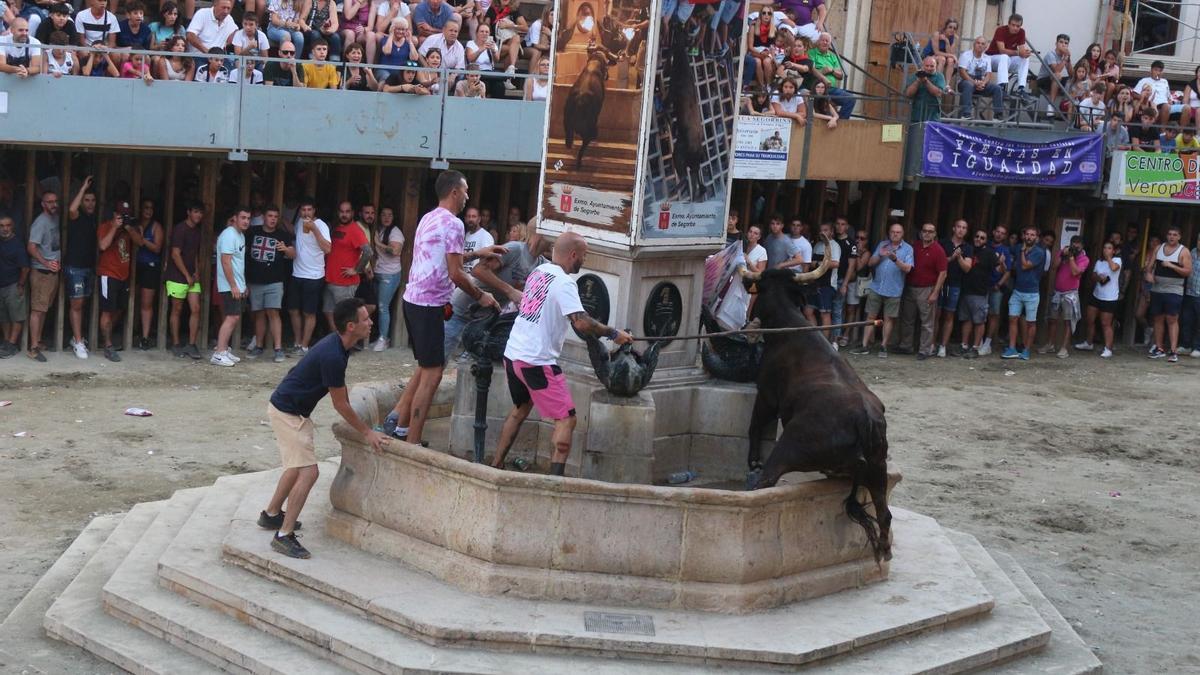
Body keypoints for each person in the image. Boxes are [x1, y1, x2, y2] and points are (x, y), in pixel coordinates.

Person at [491, 232, 633, 475]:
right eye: (584, 256)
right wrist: (613, 334)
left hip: (513, 354)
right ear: (574, 255)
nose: (584, 261)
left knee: (521, 408)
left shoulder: (539, 272)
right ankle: (554, 484)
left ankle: (495, 466)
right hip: (536, 361)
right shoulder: (565, 282)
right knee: (567, 419)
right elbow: (580, 322)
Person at [261, 297, 388, 559]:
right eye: (365, 319)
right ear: (351, 326)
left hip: (287, 409)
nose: (370, 322)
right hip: (289, 414)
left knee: (296, 467)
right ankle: (283, 535)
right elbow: (340, 404)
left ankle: (271, 514)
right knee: (309, 473)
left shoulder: (337, 346)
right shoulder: (334, 355)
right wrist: (368, 432)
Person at [382, 171, 503, 446]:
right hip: (428, 305)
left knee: (427, 368)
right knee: (434, 373)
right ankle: (412, 441)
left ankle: (401, 428)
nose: (468, 197)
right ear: (455, 193)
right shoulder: (455, 224)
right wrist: (481, 295)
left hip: (413, 299)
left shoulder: (429, 217)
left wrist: (477, 254)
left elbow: (445, 257)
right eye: (466, 191)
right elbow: (456, 273)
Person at [851, 222, 912, 357]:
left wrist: (896, 260)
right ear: (889, 233)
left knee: (888, 318)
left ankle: (883, 346)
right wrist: (879, 255)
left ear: (902, 234)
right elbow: (870, 263)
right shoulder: (882, 245)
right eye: (893, 232)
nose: (895, 234)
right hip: (877, 286)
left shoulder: (908, 249)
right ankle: (865, 345)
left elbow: (908, 269)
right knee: (870, 316)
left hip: (894, 289)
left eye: (898, 232)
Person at [246, 205, 295, 363]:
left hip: (275, 281)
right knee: (259, 314)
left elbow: (293, 254)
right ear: (264, 217)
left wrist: (286, 250)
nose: (273, 219)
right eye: (270, 215)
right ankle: (259, 346)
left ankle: (278, 348)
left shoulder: (283, 235)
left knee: (273, 312)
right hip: (255, 281)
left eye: (275, 216)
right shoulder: (252, 232)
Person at [898, 222, 947, 359]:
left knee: (927, 322)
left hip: (927, 289)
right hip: (911, 287)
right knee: (908, 319)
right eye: (925, 231)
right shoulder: (915, 246)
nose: (927, 233)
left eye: (930, 231)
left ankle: (924, 350)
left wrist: (935, 293)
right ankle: (906, 346)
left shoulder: (938, 250)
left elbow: (943, 273)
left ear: (935, 234)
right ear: (921, 232)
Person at [289, 197, 330, 353]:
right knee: (293, 310)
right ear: (300, 211)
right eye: (303, 210)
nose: (306, 213)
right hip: (297, 273)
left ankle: (305, 346)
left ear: (314, 211)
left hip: (314, 276)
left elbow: (328, 249)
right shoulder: (299, 222)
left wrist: (314, 229)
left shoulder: (321, 225)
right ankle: (297, 342)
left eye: (309, 210)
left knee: (309, 312)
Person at [1146, 226, 1193, 363]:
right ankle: (1159, 348)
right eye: (1169, 234)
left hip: (1174, 289)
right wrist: (1148, 274)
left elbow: (1188, 272)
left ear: (1179, 237)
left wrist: (1172, 266)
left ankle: (1173, 351)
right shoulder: (1159, 248)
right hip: (1157, 288)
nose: (1172, 237)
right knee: (1158, 318)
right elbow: (1149, 266)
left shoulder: (1183, 251)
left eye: (1175, 235)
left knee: (1172, 319)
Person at [210, 207, 250, 367]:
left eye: (248, 218)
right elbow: (225, 261)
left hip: (237, 284)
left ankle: (224, 349)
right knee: (231, 317)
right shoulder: (229, 235)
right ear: (235, 218)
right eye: (243, 218)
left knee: (235, 317)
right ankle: (219, 353)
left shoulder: (240, 236)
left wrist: (243, 284)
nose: (246, 221)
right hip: (229, 285)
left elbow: (238, 263)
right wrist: (233, 285)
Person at [93, 201, 132, 362]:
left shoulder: (128, 229)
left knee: (120, 309)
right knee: (107, 310)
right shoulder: (105, 226)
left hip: (124, 275)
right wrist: (115, 227)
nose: (122, 218)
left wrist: (129, 227)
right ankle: (108, 345)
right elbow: (102, 245)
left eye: (125, 215)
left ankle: (105, 336)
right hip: (108, 274)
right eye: (120, 214)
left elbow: (140, 242)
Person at [323, 200, 370, 333]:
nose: (344, 214)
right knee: (328, 311)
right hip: (331, 279)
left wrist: (356, 270)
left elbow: (368, 252)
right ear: (338, 213)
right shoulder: (337, 228)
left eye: (347, 212)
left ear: (353, 213)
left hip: (345, 283)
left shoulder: (355, 229)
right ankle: (338, 341)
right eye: (342, 211)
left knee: (346, 317)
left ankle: (347, 344)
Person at [165, 202, 204, 359]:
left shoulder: (197, 231)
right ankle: (175, 343)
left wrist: (196, 272)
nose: (198, 215)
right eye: (195, 211)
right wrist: (187, 275)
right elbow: (175, 254)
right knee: (177, 309)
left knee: (196, 308)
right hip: (177, 276)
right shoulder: (180, 229)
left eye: (200, 213)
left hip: (191, 277)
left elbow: (194, 254)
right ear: (189, 212)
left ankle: (191, 344)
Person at [1001, 226, 1046, 360]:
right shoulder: (1018, 246)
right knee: (1012, 318)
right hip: (1017, 290)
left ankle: (1026, 349)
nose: (1029, 237)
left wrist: (1021, 252)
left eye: (1032, 235)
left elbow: (1026, 265)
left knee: (1030, 322)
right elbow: (1007, 251)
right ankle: (1012, 348)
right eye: (1027, 234)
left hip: (1032, 293)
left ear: (1036, 238)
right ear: (1023, 235)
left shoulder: (1039, 252)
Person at [64, 178, 97, 359]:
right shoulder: (77, 216)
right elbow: (71, 209)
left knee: (82, 304)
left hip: (88, 268)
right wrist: (83, 187)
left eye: (92, 200)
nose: (90, 203)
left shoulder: (94, 219)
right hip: (75, 267)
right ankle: (78, 342)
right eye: (86, 200)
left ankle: (77, 338)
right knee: (76, 304)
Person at [25, 190, 60, 362]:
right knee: (37, 310)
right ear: (43, 204)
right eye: (50, 202)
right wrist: (46, 263)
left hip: (51, 272)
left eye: (55, 201)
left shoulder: (54, 218)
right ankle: (32, 348)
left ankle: (38, 341)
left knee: (43, 308)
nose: (54, 204)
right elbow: (31, 247)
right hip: (41, 272)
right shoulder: (40, 222)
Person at [1041, 235, 1089, 359]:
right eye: (1073, 244)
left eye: (1078, 245)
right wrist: (1062, 254)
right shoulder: (1064, 253)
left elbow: (1075, 272)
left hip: (1070, 294)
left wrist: (1071, 257)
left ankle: (1064, 348)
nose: (1075, 247)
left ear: (1082, 246)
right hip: (1058, 291)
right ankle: (1050, 344)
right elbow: (1054, 267)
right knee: (1052, 319)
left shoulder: (1084, 259)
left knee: (1069, 322)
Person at [1075, 241, 1122, 359]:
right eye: (1105, 248)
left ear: (1113, 251)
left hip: (1110, 297)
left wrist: (1109, 258)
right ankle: (1089, 343)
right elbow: (1093, 276)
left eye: (1109, 248)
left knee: (1106, 323)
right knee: (1090, 319)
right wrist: (1099, 277)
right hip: (1097, 294)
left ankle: (1108, 348)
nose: (1106, 250)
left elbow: (1114, 268)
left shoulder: (1117, 261)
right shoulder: (1099, 262)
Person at [956, 229, 995, 358]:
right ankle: (964, 345)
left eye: (982, 238)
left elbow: (999, 268)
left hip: (980, 292)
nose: (979, 239)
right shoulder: (968, 249)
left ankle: (975, 348)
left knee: (979, 321)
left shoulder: (989, 253)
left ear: (986, 240)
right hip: (966, 290)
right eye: (977, 236)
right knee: (966, 319)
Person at [936, 218, 972, 357]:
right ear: (954, 228)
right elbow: (938, 262)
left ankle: (943, 346)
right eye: (959, 227)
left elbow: (967, 268)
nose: (961, 230)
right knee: (936, 314)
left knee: (949, 315)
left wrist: (959, 258)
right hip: (940, 282)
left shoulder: (967, 247)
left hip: (955, 284)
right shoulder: (943, 243)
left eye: (964, 227)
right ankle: (932, 343)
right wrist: (951, 258)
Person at [371, 205, 403, 351]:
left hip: (390, 274)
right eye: (383, 214)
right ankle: (381, 336)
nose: (386, 217)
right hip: (378, 272)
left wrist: (377, 243)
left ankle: (383, 339)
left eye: (389, 215)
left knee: (383, 307)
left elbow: (395, 251)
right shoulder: (379, 229)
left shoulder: (395, 232)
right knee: (379, 306)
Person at [0, 215, 29, 359]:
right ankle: (6, 341)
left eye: (8, 225)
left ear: (13, 227)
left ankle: (12, 344)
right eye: (2, 226)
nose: (5, 228)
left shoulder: (17, 244)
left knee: (16, 316)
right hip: (1, 285)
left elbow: (25, 268)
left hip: (13, 285)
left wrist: (21, 284)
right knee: (3, 316)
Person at [807, 32, 853, 118]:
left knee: (850, 99)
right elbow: (810, 71)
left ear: (829, 44)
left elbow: (840, 76)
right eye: (823, 40)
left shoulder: (833, 56)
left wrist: (831, 70)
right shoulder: (811, 53)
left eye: (827, 41)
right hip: (816, 88)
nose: (825, 42)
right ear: (818, 42)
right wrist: (822, 71)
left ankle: (841, 123)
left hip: (831, 89)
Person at [984, 13, 1031, 96]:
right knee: (1004, 56)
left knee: (1025, 59)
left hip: (1007, 60)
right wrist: (1018, 53)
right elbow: (1002, 50)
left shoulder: (1021, 32)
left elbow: (1021, 50)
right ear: (1008, 24)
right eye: (1013, 25)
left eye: (1018, 26)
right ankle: (1001, 86)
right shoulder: (1001, 30)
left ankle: (1021, 88)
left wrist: (1025, 53)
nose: (1015, 28)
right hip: (991, 58)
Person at [957, 36, 1003, 119]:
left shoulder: (987, 58)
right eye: (978, 43)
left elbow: (988, 74)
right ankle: (966, 114)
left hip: (981, 83)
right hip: (966, 81)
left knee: (997, 88)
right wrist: (974, 82)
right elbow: (962, 72)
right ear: (974, 44)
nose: (980, 45)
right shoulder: (966, 55)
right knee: (968, 85)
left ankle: (998, 115)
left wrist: (983, 83)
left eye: (983, 44)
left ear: (986, 47)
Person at [809, 221, 841, 341]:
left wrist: (817, 264)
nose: (823, 233)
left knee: (825, 314)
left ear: (832, 232)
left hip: (827, 285)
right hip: (814, 282)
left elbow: (836, 263)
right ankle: (816, 339)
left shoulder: (834, 246)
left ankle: (825, 342)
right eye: (821, 230)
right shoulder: (817, 245)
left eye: (826, 230)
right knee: (808, 311)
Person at [905, 55, 948, 122]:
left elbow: (938, 93)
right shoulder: (915, 75)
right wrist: (918, 81)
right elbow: (908, 94)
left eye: (932, 66)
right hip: (917, 115)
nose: (929, 68)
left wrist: (925, 81)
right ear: (922, 66)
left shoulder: (939, 76)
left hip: (933, 116)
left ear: (936, 66)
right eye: (927, 66)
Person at [1036, 33, 1071, 109]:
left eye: (1066, 43)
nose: (1063, 45)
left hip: (1055, 80)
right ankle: (1051, 106)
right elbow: (1056, 70)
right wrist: (1065, 59)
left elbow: (1071, 73)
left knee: (1071, 80)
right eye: (1061, 42)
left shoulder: (1065, 56)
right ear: (1056, 43)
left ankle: (1067, 105)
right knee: (1057, 75)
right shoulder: (1051, 54)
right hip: (1043, 80)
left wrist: (1068, 59)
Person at [1134, 60, 1172, 128]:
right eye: (1156, 70)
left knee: (1186, 108)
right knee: (1166, 106)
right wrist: (1143, 97)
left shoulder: (1165, 81)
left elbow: (1169, 97)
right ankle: (1162, 131)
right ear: (1151, 70)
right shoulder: (1144, 80)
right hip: (1151, 103)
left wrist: (1170, 101)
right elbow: (1134, 94)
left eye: (1160, 71)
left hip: (1165, 104)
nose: (1158, 73)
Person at [921, 17, 959, 83]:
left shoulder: (954, 38)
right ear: (945, 27)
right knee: (942, 59)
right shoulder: (937, 34)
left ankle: (947, 85)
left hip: (942, 56)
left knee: (951, 60)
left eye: (954, 28)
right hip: (929, 55)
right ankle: (937, 82)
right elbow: (936, 52)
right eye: (950, 27)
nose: (952, 30)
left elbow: (950, 53)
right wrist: (952, 55)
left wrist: (947, 42)